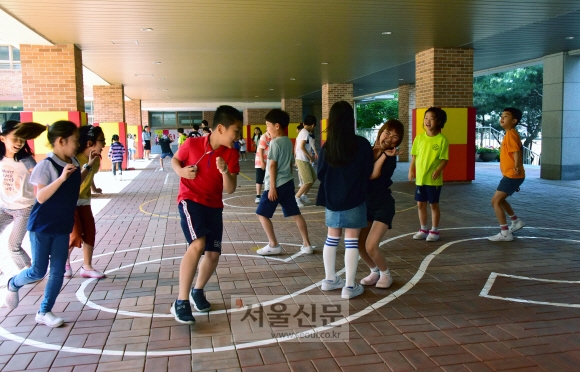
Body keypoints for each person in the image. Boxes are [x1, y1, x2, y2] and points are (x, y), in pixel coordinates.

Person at [4, 121, 87, 328]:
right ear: (61, 141)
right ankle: (13, 283)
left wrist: (86, 168)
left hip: (62, 225)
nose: (77, 144)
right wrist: (61, 178)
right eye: (75, 140)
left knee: (58, 271)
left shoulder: (73, 161)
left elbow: (73, 184)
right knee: (38, 271)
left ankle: (44, 311)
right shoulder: (45, 165)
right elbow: (40, 197)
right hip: (42, 226)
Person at [169, 105, 242, 324]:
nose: (238, 136)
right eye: (236, 131)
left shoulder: (231, 153)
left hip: (214, 205)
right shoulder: (191, 144)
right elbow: (175, 160)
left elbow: (230, 189)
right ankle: (181, 302)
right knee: (198, 244)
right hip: (190, 200)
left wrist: (225, 171)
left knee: (213, 254)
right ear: (220, 128)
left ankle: (197, 291)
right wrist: (181, 171)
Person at [316, 101, 373, 299]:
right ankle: (349, 287)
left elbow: (321, 174)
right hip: (355, 198)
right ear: (352, 120)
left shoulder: (327, 147)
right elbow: (368, 172)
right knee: (351, 241)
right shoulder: (362, 144)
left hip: (332, 199)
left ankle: (330, 279)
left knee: (332, 238)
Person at [255, 109, 313, 256]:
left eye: (268, 125)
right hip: (288, 183)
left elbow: (272, 165)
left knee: (262, 213)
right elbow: (289, 164)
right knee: (296, 213)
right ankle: (307, 245)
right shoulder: (288, 140)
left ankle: (273, 244)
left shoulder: (275, 143)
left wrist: (272, 187)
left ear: (277, 126)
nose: (267, 129)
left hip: (276, 185)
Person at [359, 120, 404, 289]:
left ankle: (386, 274)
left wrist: (384, 155)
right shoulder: (367, 151)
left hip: (383, 205)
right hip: (365, 204)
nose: (390, 138)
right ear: (380, 131)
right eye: (387, 132)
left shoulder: (391, 157)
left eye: (395, 136)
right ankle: (374, 271)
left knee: (371, 245)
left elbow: (372, 175)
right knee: (358, 244)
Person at [0, 121, 46, 276]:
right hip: (3, 207)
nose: (19, 143)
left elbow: (40, 177)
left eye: (22, 139)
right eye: (15, 138)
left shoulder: (26, 160)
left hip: (24, 208)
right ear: (2, 139)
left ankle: (29, 272)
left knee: (13, 245)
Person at [67, 125, 106, 279]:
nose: (103, 144)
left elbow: (89, 178)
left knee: (89, 232)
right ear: (89, 143)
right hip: (70, 202)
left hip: (84, 201)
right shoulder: (73, 159)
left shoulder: (95, 160)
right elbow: (74, 181)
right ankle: (63, 261)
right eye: (101, 141)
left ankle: (87, 267)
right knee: (75, 234)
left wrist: (94, 188)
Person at [408, 107, 449, 242]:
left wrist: (438, 171)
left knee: (433, 204)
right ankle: (423, 229)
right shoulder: (419, 138)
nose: (428, 121)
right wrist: (411, 170)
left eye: (432, 118)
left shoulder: (442, 140)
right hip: (420, 179)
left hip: (433, 181)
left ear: (439, 121)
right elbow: (414, 156)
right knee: (420, 204)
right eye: (426, 118)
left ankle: (434, 230)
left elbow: (444, 159)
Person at [488, 107, 526, 242]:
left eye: (506, 116)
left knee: (495, 201)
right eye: (502, 116)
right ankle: (515, 221)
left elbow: (516, 152)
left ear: (514, 120)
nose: (502, 118)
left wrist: (516, 167)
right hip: (512, 176)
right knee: (501, 200)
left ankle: (505, 233)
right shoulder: (511, 133)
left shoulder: (510, 134)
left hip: (512, 175)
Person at [294, 115, 318, 207]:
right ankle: (296, 197)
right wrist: (310, 156)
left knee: (313, 177)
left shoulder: (304, 132)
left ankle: (304, 195)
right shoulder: (305, 133)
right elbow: (301, 146)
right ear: (312, 125)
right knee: (308, 181)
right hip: (302, 159)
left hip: (304, 159)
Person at [254, 131, 271, 204]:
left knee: (268, 178)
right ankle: (258, 196)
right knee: (259, 178)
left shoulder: (274, 136)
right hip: (261, 161)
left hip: (269, 161)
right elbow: (260, 149)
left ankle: (267, 195)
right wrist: (262, 162)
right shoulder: (264, 136)